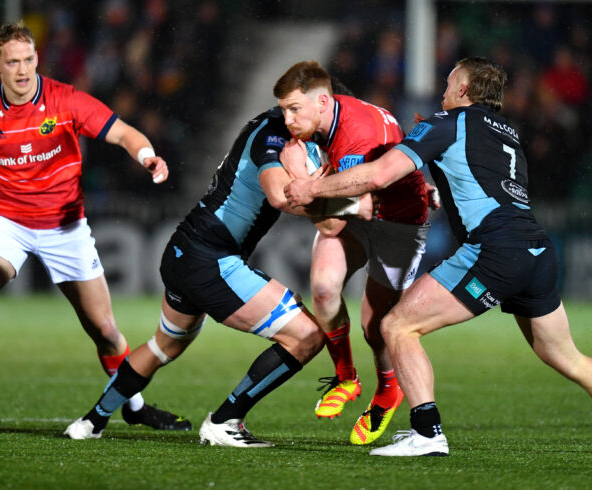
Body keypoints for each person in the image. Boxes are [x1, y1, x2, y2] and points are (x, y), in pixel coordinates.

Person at [284, 57, 592, 457]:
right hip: (537, 250)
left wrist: (312, 190)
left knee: (398, 326)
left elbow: (379, 175)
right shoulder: (507, 132)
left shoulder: (447, 122)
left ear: (463, 90)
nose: (443, 90)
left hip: (495, 249)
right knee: (566, 356)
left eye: (449, 82)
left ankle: (427, 434)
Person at [0, 21, 189, 432]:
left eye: (29, 60)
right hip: (6, 222)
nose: (23, 70)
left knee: (104, 330)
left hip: (65, 227)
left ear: (37, 59)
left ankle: (134, 406)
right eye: (12, 62)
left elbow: (123, 134)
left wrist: (146, 156)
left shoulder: (66, 100)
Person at [63, 104, 376, 446]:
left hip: (184, 250)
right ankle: (225, 421)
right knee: (307, 336)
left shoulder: (268, 126)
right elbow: (302, 208)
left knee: (164, 345)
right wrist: (351, 204)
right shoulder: (276, 140)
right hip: (211, 259)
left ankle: (91, 421)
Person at [273, 61, 433, 445]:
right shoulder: (332, 114)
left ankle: (388, 390)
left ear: (322, 102)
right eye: (284, 110)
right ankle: (346, 378)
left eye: (294, 109)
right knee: (324, 288)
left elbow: (331, 223)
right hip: (362, 210)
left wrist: (299, 177)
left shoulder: (354, 137)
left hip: (399, 223)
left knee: (375, 328)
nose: (287, 120)